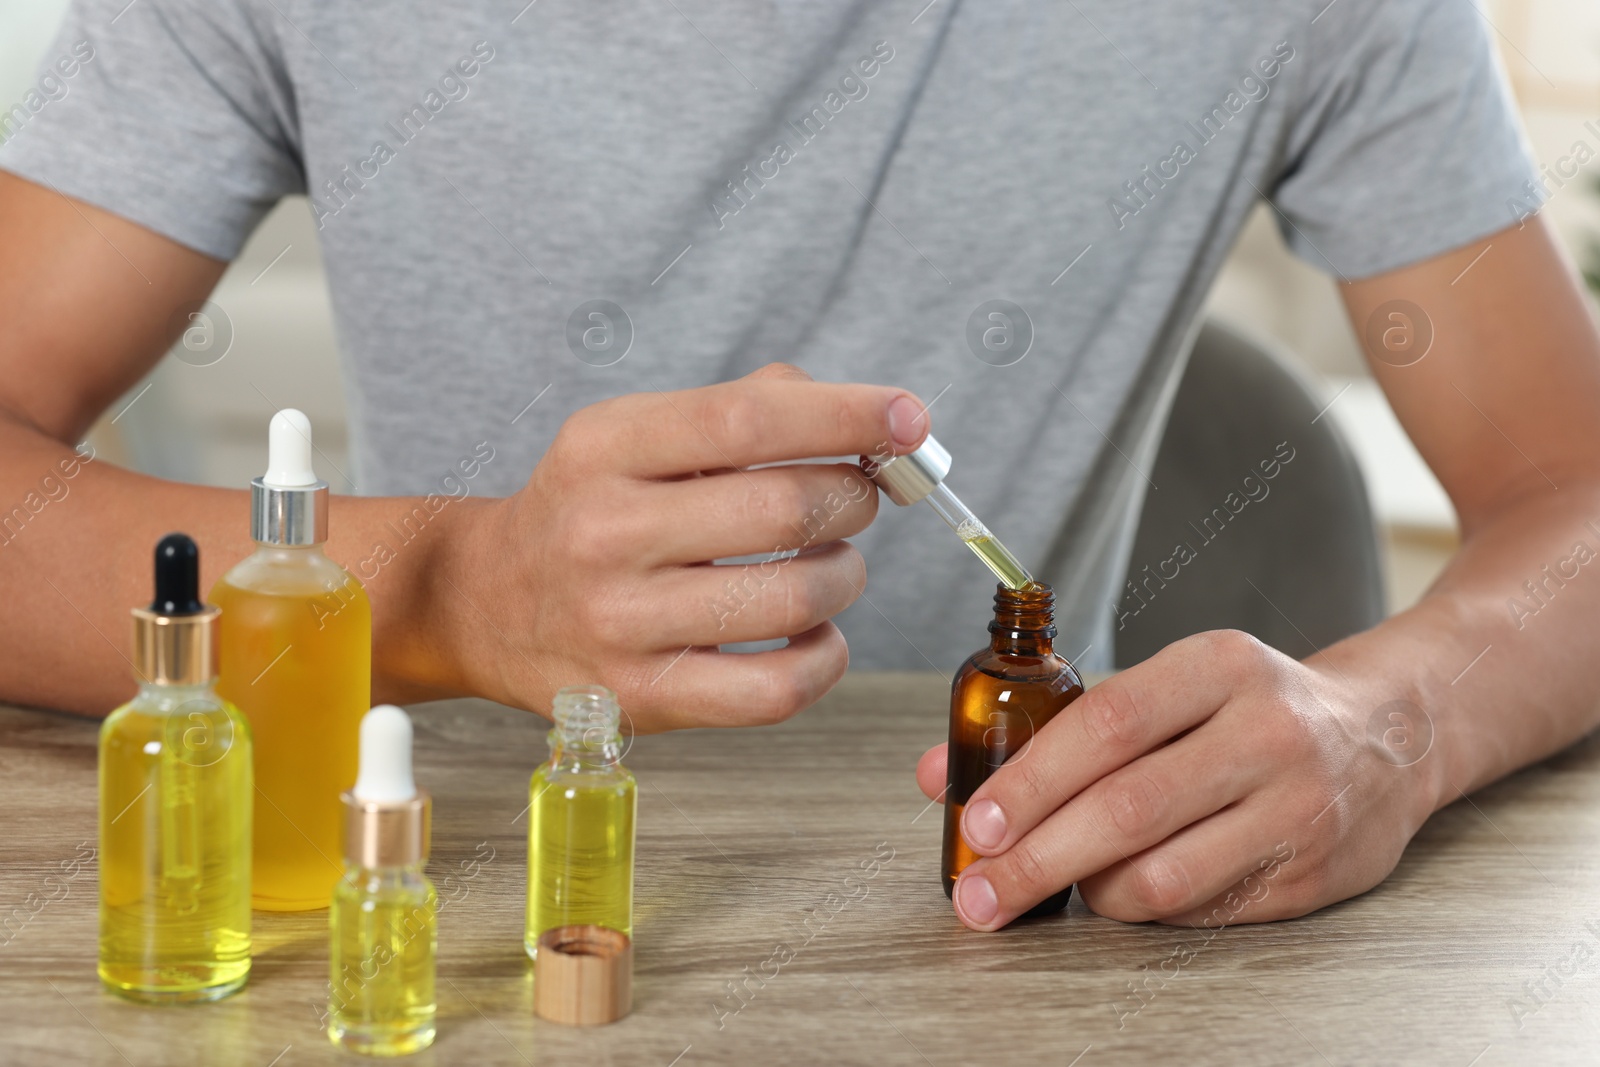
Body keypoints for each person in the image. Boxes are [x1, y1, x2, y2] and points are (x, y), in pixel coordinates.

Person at [2, 0, 1597, 934]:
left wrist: (1395, 719)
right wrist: (448, 587)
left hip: (1035, 929)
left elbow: (1575, 493)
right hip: (450, 899)